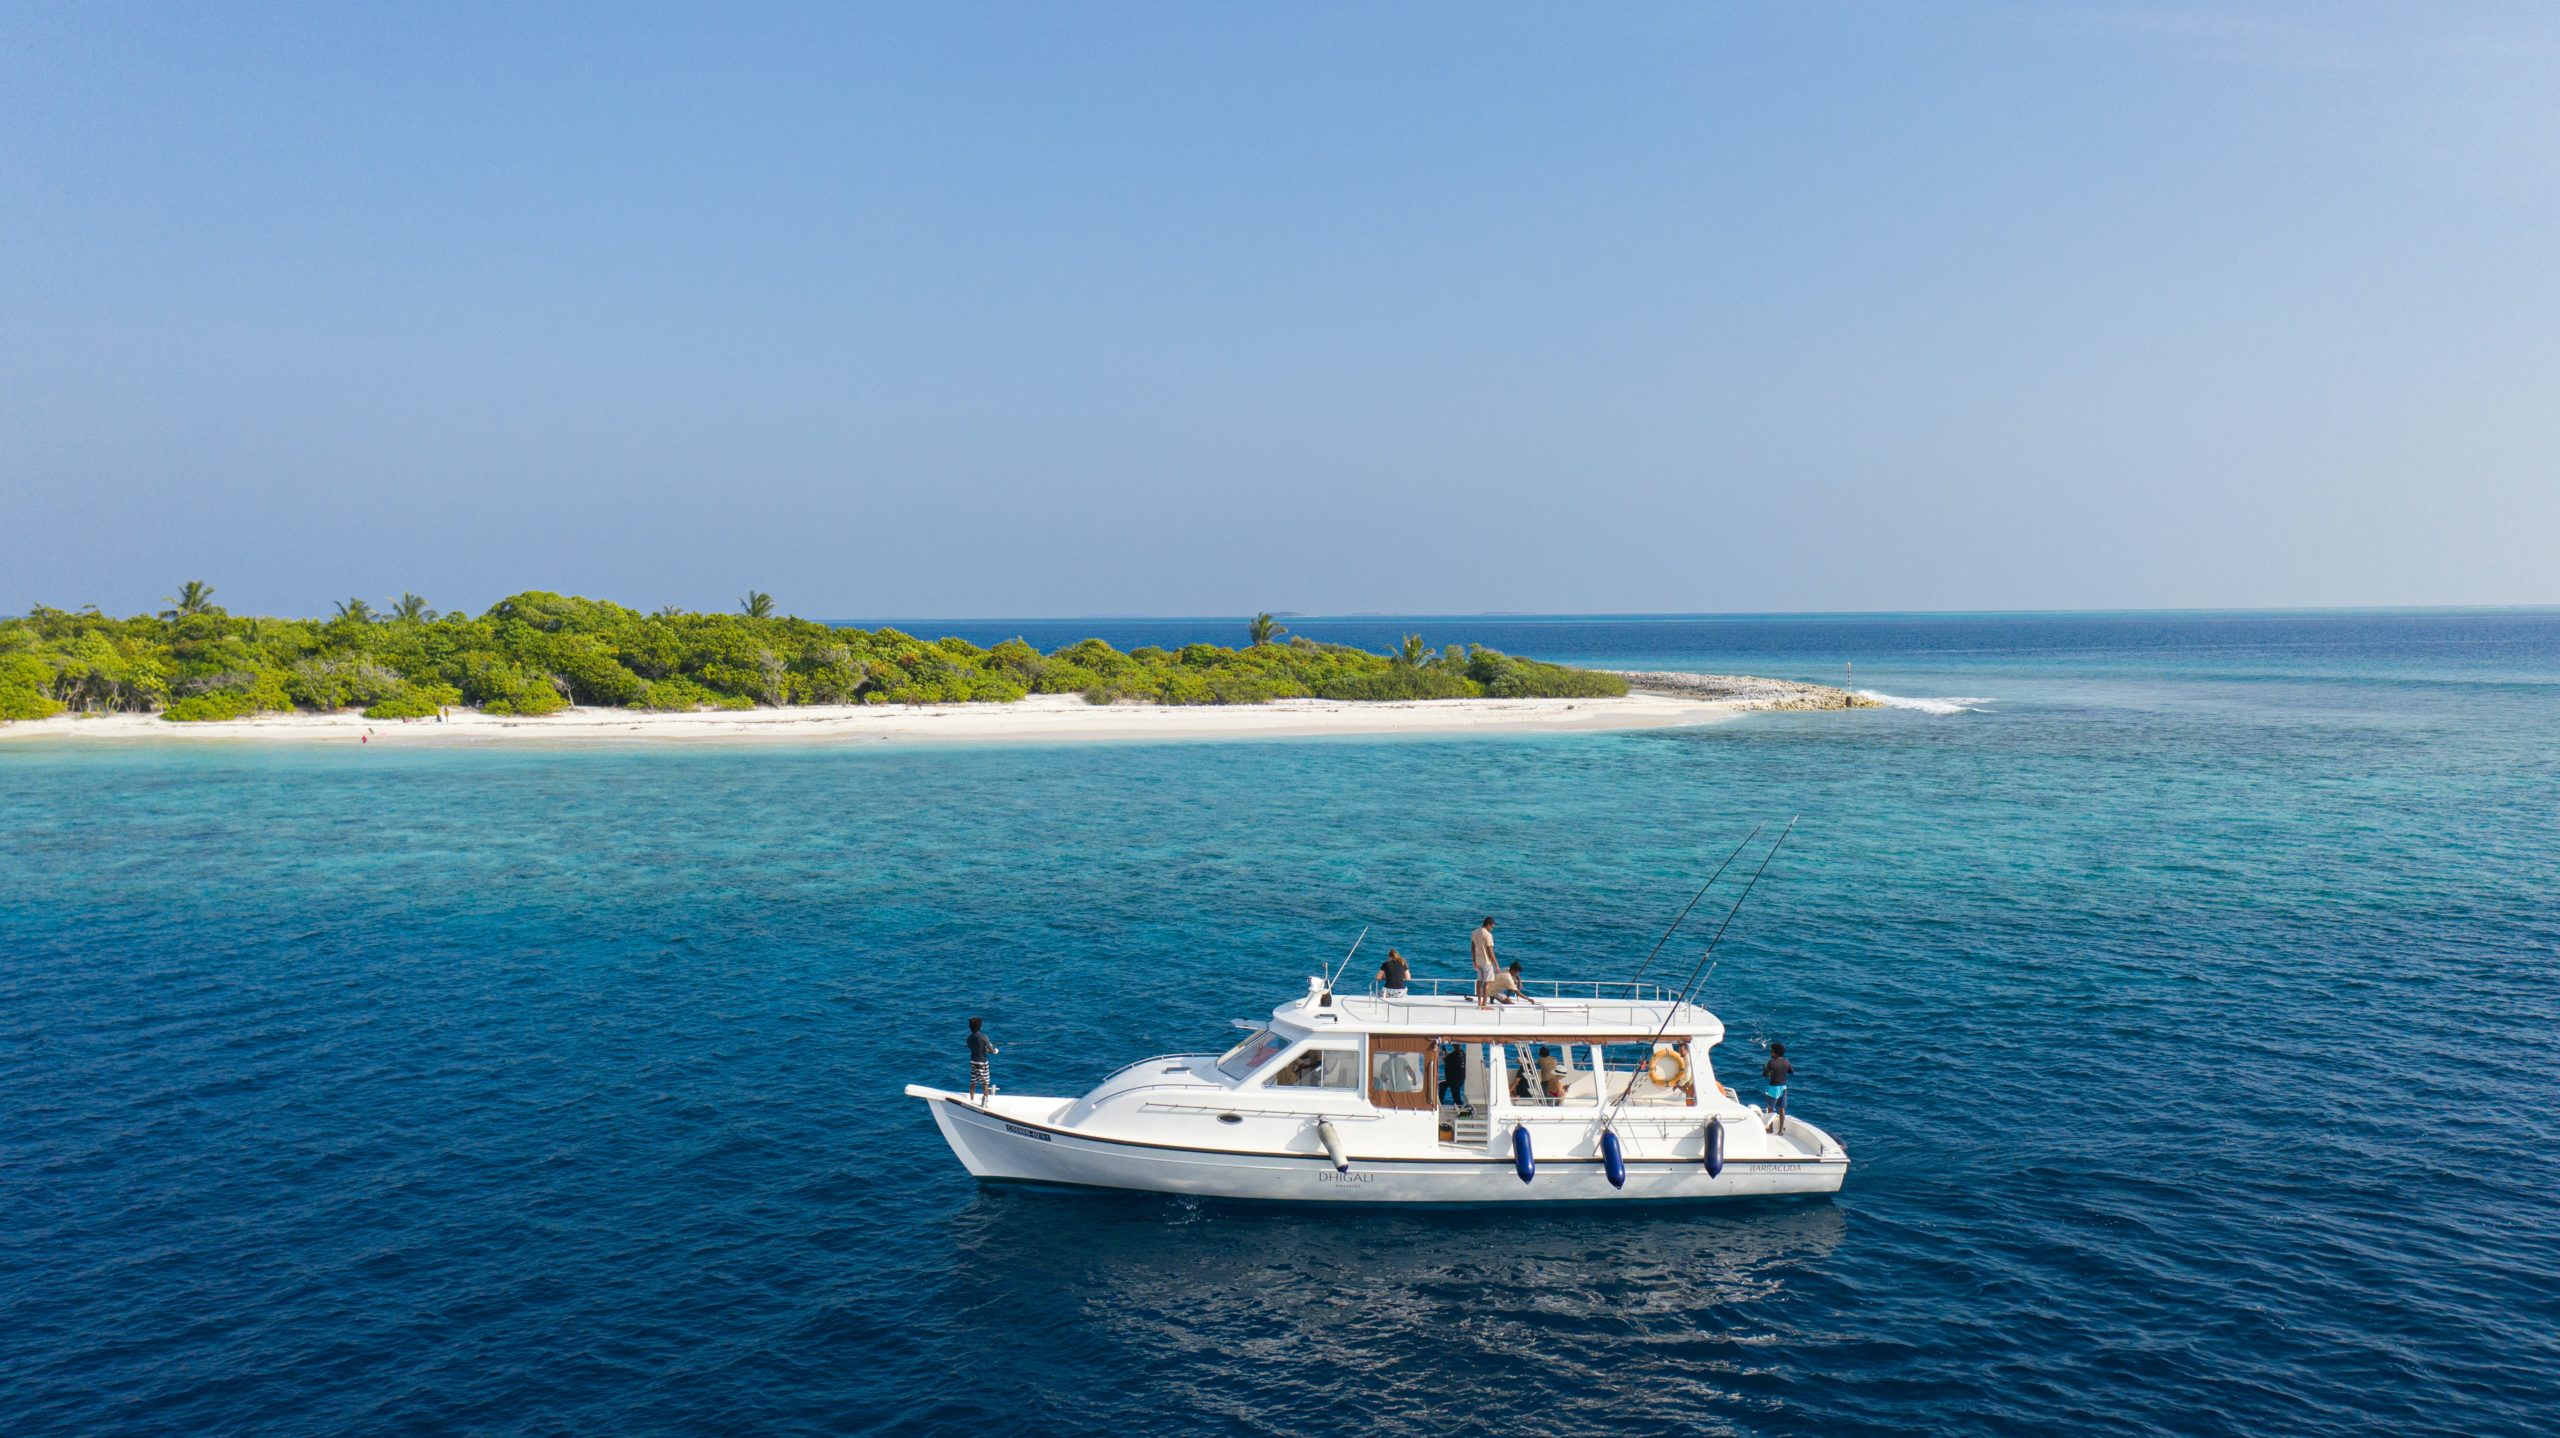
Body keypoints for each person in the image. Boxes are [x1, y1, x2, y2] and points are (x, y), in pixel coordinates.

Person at [1762, 1042, 1794, 1135]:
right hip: (1783, 1088)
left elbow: (1764, 1075)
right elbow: (1791, 1071)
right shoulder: (1786, 1061)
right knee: (1782, 1109)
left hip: (1773, 1088)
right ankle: (1780, 1131)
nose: (1770, 1052)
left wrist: (1765, 1068)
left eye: (1771, 1051)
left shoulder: (1771, 1062)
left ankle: (1770, 1129)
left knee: (1770, 1108)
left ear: (1775, 1053)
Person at [967, 1017, 999, 1105]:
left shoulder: (969, 1039)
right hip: (982, 1063)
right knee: (985, 1082)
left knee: (973, 1081)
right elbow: (991, 1051)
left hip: (973, 1062)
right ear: (980, 1026)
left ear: (970, 1027)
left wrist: (985, 1048)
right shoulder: (984, 1037)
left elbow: (975, 1048)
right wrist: (995, 1051)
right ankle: (985, 1101)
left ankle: (971, 1100)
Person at [1470, 917, 1497, 1008]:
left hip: (1478, 961)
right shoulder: (1488, 935)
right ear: (1488, 924)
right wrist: (1496, 963)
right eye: (1492, 927)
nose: (1492, 928)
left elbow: (1472, 947)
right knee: (1487, 983)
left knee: (1479, 981)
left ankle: (1479, 1003)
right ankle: (1485, 1005)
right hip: (1487, 962)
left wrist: (1474, 960)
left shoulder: (1474, 932)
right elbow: (1490, 950)